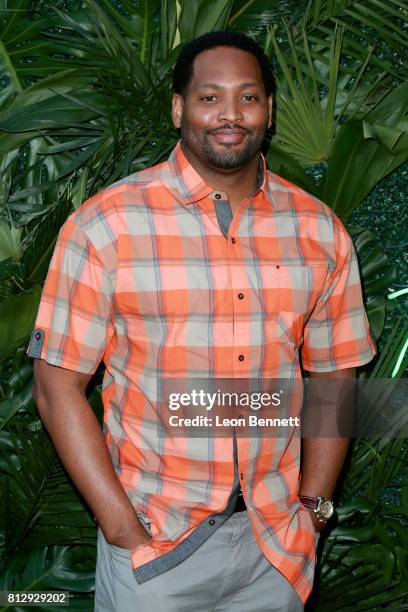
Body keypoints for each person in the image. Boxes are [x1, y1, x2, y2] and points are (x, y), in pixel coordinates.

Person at [28, 31, 377, 611]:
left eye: (248, 97)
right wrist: (124, 532)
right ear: (178, 108)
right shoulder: (106, 226)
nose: (230, 115)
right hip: (157, 551)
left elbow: (336, 378)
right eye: (209, 97)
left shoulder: (319, 231)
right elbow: (55, 386)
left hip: (277, 549)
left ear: (268, 110)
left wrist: (313, 510)